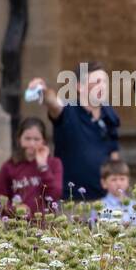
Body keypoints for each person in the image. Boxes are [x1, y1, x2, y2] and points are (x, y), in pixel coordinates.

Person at [26, 62, 121, 201]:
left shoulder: (109, 114)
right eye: (96, 82)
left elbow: (114, 156)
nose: (102, 86)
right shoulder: (68, 110)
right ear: (79, 86)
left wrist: (118, 192)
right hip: (71, 200)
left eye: (104, 81)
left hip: (104, 201)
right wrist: (43, 90)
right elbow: (52, 103)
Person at [0, 117, 63, 219]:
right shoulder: (8, 166)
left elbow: (55, 195)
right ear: (19, 139)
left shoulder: (54, 164)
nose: (32, 143)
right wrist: (16, 210)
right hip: (17, 226)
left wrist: (43, 166)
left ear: (44, 141)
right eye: (27, 138)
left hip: (45, 226)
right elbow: (1, 201)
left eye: (36, 139)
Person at [96, 159, 136, 226]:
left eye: (122, 179)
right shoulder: (100, 206)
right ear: (104, 183)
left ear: (128, 181)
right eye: (114, 179)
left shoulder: (135, 205)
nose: (118, 183)